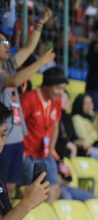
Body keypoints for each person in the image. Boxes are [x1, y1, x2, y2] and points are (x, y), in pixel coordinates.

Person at [0, 7, 53, 197]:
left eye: (7, 41)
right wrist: (41, 63)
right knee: (3, 187)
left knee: (11, 187)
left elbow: (28, 48)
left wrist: (40, 23)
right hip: (3, 139)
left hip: (17, 137)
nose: (7, 45)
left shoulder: (7, 64)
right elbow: (14, 81)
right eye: (2, 43)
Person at [21, 66, 68, 202]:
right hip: (28, 155)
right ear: (47, 85)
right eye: (58, 88)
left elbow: (55, 126)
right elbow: (17, 126)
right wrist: (21, 151)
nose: (61, 93)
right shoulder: (29, 99)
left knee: (54, 190)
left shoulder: (56, 101)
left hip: (46, 155)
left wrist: (51, 149)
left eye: (63, 89)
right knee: (32, 194)